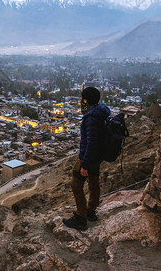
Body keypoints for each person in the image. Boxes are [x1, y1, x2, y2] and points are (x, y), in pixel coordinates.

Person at [63, 87, 110, 230]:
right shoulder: (102, 112)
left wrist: (85, 164)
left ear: (85, 100)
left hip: (88, 157)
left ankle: (81, 217)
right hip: (98, 157)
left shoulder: (91, 118)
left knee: (76, 184)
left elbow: (91, 142)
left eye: (82, 99)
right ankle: (91, 210)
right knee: (93, 182)